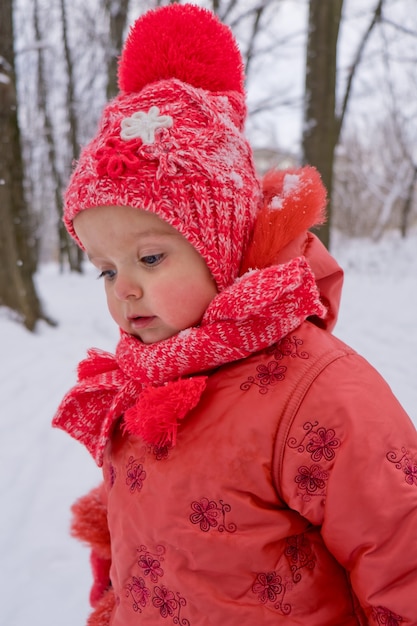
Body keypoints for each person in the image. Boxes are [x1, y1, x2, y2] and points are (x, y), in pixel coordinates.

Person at [53, 4, 417, 626]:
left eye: (149, 257)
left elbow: (401, 557)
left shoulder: (317, 391)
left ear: (219, 246)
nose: (125, 291)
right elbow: (134, 528)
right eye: (107, 270)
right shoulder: (141, 375)